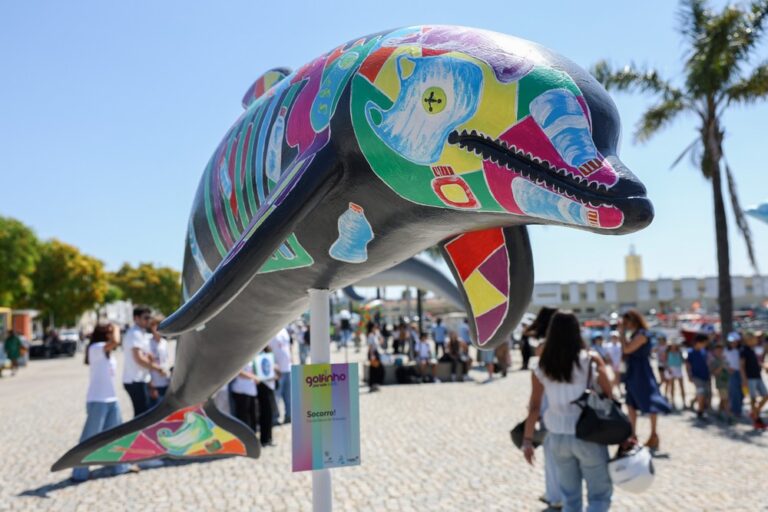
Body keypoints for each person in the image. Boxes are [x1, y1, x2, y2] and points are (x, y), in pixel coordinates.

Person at [522, 311, 613, 512]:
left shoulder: (542, 367)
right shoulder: (590, 360)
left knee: (570, 499)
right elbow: (609, 393)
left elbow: (535, 407)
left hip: (558, 438)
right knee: (599, 496)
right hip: (588, 434)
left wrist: (527, 440)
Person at [71, 324, 133, 481]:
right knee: (89, 438)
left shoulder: (107, 353)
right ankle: (79, 472)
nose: (112, 335)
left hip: (112, 399)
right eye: (110, 333)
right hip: (97, 400)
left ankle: (119, 466)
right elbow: (116, 341)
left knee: (116, 436)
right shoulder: (95, 348)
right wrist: (116, 327)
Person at [620, 310, 670, 450]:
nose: (625, 325)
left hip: (641, 371)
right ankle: (633, 434)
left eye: (627, 322)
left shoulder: (642, 334)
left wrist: (622, 335)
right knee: (630, 402)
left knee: (650, 400)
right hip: (633, 371)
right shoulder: (636, 334)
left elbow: (627, 349)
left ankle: (654, 434)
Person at [122, 306, 166, 417]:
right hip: (135, 380)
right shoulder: (135, 333)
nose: (148, 320)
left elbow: (143, 356)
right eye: (145, 318)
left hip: (139, 379)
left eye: (149, 318)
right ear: (136, 318)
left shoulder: (140, 333)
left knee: (143, 414)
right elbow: (138, 358)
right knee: (141, 415)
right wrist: (158, 368)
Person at [740, 331, 768, 429]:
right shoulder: (744, 350)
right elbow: (742, 366)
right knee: (753, 399)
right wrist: (744, 380)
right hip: (750, 378)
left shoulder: (753, 350)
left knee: (766, 395)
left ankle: (755, 412)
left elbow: (757, 362)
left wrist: (764, 366)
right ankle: (756, 420)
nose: (756, 340)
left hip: (758, 376)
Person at [270, 327, 292, 425]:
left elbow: (288, 347)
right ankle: (275, 418)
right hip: (278, 370)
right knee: (276, 396)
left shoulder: (284, 330)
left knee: (288, 395)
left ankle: (289, 415)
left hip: (288, 368)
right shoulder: (271, 331)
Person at [686, 333, 711, 420]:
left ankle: (694, 402)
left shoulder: (704, 351)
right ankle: (700, 412)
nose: (706, 344)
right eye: (704, 342)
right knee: (701, 393)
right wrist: (689, 375)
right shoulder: (690, 352)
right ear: (699, 342)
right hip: (697, 377)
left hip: (706, 376)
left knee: (705, 394)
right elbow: (688, 365)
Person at [230, 359, 259, 432]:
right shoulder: (240, 357)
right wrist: (253, 377)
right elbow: (238, 371)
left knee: (253, 416)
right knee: (244, 418)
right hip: (241, 391)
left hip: (251, 390)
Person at [148, 317, 170, 407]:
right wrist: (150, 386)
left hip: (166, 381)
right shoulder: (148, 342)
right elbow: (147, 364)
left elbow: (166, 360)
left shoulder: (164, 342)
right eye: (156, 325)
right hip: (154, 382)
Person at [256, 348, 277, 446]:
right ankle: (265, 439)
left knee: (270, 413)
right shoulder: (256, 354)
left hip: (270, 385)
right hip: (263, 385)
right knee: (265, 413)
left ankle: (269, 437)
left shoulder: (267, 352)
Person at [709, 342, 732, 422]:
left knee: (723, 399)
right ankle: (729, 416)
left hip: (727, 382)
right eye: (718, 350)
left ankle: (718, 413)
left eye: (721, 350)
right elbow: (714, 373)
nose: (719, 351)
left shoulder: (725, 359)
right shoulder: (714, 360)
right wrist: (721, 366)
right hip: (720, 383)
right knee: (725, 399)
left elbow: (729, 370)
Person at [725, 332, 744, 417]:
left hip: (741, 373)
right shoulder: (725, 350)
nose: (734, 343)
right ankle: (736, 411)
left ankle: (738, 409)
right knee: (734, 393)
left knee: (742, 393)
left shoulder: (741, 350)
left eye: (735, 341)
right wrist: (727, 368)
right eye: (732, 341)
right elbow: (723, 361)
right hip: (731, 373)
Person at [664, 338, 686, 409]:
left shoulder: (679, 351)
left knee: (681, 386)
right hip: (671, 369)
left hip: (678, 369)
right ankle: (673, 402)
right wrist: (668, 369)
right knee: (672, 386)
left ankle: (684, 402)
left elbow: (682, 360)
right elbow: (665, 361)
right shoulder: (667, 352)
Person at [604, 331, 624, 395]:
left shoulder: (620, 345)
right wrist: (610, 362)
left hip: (620, 364)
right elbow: (607, 355)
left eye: (615, 337)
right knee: (615, 377)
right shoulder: (608, 345)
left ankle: (613, 390)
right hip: (612, 364)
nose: (614, 338)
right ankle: (613, 390)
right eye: (613, 337)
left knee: (617, 378)